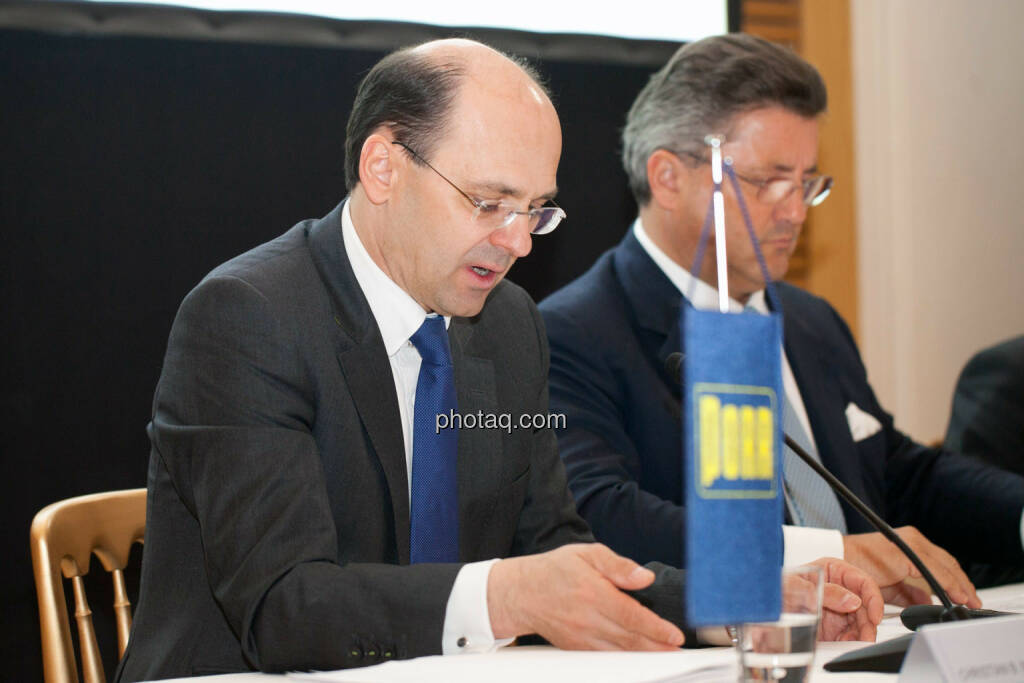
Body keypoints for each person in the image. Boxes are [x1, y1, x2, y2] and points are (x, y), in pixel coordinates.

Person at [117, 39, 881, 681]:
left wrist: (736, 594)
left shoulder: (507, 323)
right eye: (489, 203)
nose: (518, 243)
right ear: (383, 167)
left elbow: (555, 548)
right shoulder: (250, 316)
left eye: (535, 210)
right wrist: (505, 597)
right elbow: (283, 608)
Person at [540, 34, 1024, 611]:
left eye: (805, 184)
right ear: (668, 177)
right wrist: (829, 552)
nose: (794, 212)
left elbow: (896, 473)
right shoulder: (571, 334)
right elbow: (601, 514)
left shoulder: (811, 320)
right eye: (766, 182)